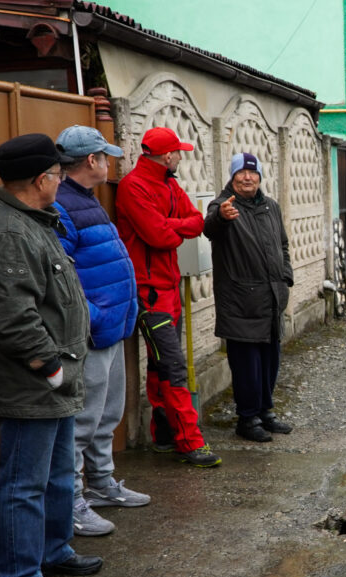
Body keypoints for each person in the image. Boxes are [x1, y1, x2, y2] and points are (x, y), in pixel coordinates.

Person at [0, 133, 102, 577]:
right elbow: (12, 316)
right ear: (42, 179)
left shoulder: (30, 221)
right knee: (24, 482)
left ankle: (53, 549)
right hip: (31, 385)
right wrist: (50, 370)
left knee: (57, 474)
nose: (61, 180)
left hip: (52, 383)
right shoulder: (9, 231)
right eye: (58, 174)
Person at [53, 125, 151, 537]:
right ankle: (72, 502)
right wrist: (92, 317)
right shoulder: (62, 205)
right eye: (105, 157)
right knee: (82, 422)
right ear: (91, 160)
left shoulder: (87, 200)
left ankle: (103, 484)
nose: (110, 163)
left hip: (111, 328)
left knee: (107, 414)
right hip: (92, 333)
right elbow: (64, 275)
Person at [115, 126, 220, 467]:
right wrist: (175, 227)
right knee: (173, 366)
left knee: (162, 365)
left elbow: (196, 222)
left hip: (169, 286)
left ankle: (162, 434)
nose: (180, 156)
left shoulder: (170, 183)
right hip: (149, 292)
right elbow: (160, 236)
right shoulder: (133, 187)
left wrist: (170, 225)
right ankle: (190, 442)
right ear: (166, 155)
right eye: (177, 152)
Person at [203, 152, 294, 442]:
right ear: (232, 176)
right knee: (246, 365)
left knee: (270, 361)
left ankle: (265, 412)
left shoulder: (271, 207)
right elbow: (210, 227)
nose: (247, 177)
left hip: (271, 298)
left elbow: (283, 244)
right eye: (241, 172)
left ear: (260, 177)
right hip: (241, 301)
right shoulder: (224, 205)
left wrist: (286, 276)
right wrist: (221, 217)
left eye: (252, 173)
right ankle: (247, 418)